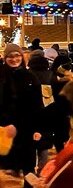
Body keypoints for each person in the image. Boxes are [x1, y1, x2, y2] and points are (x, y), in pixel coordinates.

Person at [0, 43, 43, 178]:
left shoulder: (30, 77)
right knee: (6, 170)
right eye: (10, 56)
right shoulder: (1, 76)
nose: (14, 59)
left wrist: (38, 128)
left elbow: (37, 104)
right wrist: (5, 123)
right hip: (5, 128)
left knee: (28, 166)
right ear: (5, 58)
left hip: (26, 127)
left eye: (17, 55)